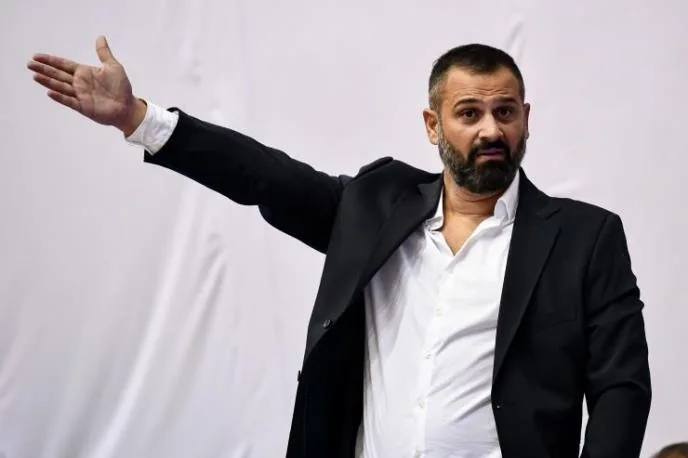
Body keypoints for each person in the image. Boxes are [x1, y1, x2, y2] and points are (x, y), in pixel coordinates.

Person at [27, 36, 652, 458]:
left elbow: (621, 388)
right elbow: (268, 177)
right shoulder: (377, 208)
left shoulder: (585, 237)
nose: (491, 129)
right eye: (469, 113)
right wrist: (140, 118)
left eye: (506, 112)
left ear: (526, 119)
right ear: (432, 125)